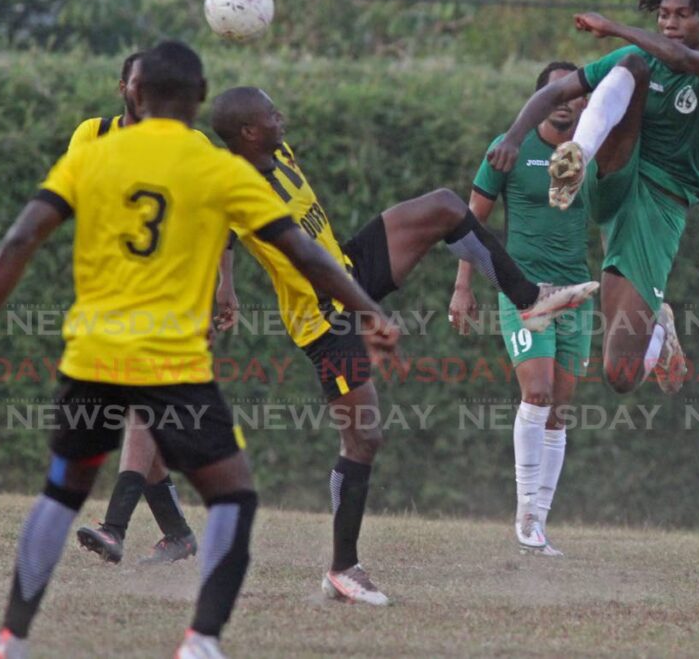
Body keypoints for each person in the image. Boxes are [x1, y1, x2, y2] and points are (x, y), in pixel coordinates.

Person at [0, 41, 401, 659]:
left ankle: (11, 638)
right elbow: (304, 252)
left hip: (92, 359)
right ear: (202, 95)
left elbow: (22, 235)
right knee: (235, 497)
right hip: (173, 367)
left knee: (60, 494)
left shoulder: (94, 153)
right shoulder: (219, 169)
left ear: (134, 93)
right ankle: (201, 640)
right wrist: (369, 310)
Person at [82, 85, 599, 607]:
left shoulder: (274, 150)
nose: (281, 117)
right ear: (249, 132)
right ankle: (342, 569)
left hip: (349, 268)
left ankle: (529, 299)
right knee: (364, 440)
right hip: (325, 314)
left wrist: (228, 284)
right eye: (271, 114)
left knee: (444, 206)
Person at [486, 0, 699, 395]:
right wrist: (513, 136)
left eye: (681, 15)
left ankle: (659, 328)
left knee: (619, 375)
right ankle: (575, 156)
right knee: (630, 66)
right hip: (615, 175)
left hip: (660, 207)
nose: (670, 23)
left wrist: (615, 27)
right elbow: (555, 92)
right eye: (663, 15)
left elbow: (681, 57)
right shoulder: (641, 55)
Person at [64, 53, 201, 566]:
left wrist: (220, 291)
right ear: (123, 86)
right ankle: (178, 534)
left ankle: (115, 526)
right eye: (140, 85)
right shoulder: (91, 135)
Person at [451, 61, 590, 556]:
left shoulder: (592, 152)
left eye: (574, 92)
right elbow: (470, 221)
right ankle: (525, 510)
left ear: (585, 101)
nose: (565, 99)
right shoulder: (510, 148)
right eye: (554, 91)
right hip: (525, 291)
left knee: (561, 410)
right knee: (538, 392)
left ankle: (539, 526)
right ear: (538, 100)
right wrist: (463, 285)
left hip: (578, 292)